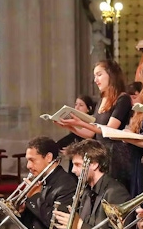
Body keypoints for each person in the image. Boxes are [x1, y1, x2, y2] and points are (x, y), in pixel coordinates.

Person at [56, 59, 133, 192]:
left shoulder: (123, 98)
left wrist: (80, 122)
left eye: (99, 74)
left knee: (111, 193)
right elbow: (91, 134)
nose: (96, 80)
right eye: (94, 76)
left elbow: (110, 130)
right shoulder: (102, 100)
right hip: (100, 153)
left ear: (111, 75)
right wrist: (70, 126)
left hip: (114, 155)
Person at [123, 81, 143, 197]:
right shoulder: (137, 112)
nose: (132, 101)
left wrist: (130, 137)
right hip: (136, 156)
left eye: (134, 97)